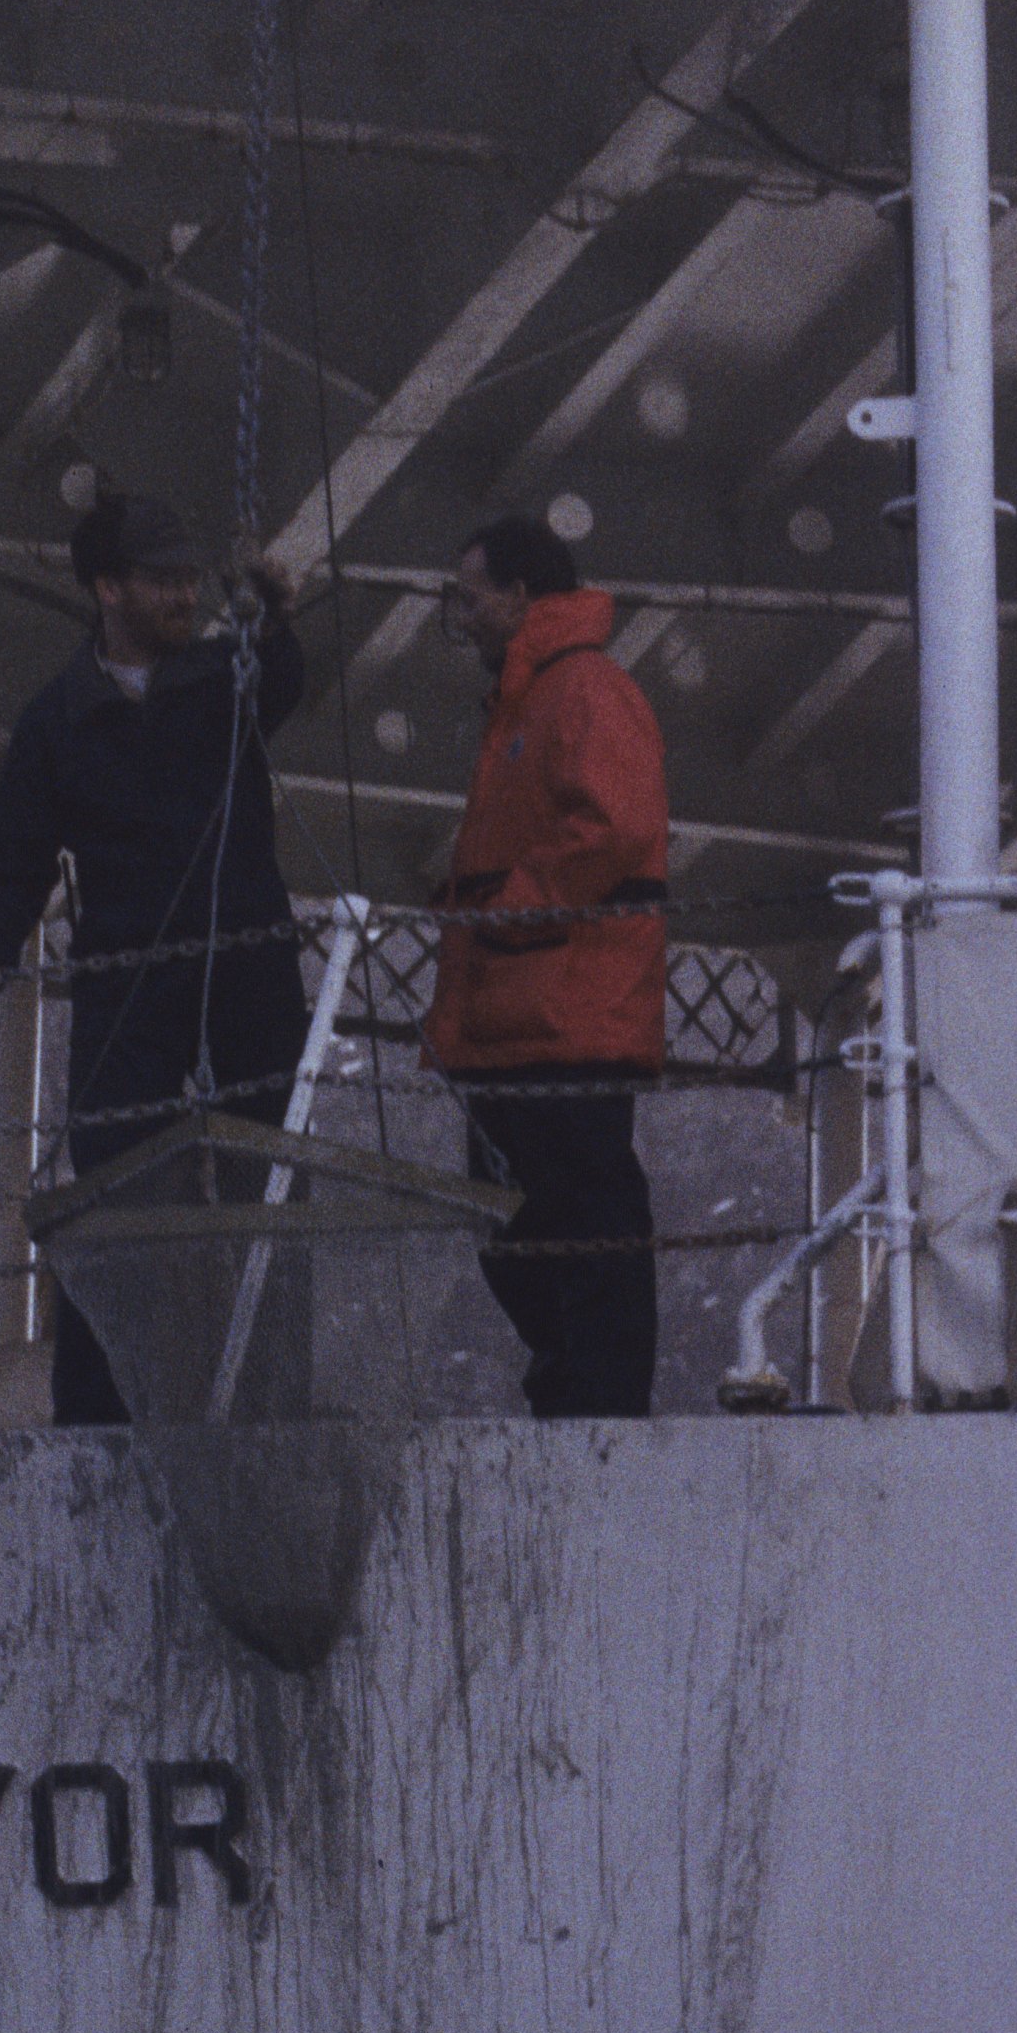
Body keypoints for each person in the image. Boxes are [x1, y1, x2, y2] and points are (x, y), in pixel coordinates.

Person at [0, 492, 307, 1426]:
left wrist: (275, 615)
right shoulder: (63, 720)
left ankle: (272, 1405)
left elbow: (285, 681)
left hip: (227, 972)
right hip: (138, 981)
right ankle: (99, 1412)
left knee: (268, 1189)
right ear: (109, 589)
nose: (184, 593)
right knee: (114, 1200)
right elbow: (15, 857)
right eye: (163, 579)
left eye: (188, 578)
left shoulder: (219, 678)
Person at [425, 514, 668, 1420]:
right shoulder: (531, 701)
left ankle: (599, 1396)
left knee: (579, 1216)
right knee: (516, 1227)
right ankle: (574, 1382)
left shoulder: (582, 694)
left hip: (564, 1010)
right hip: (518, 1017)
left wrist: (507, 913)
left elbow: (614, 827)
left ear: (522, 595)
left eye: (470, 593)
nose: (462, 613)